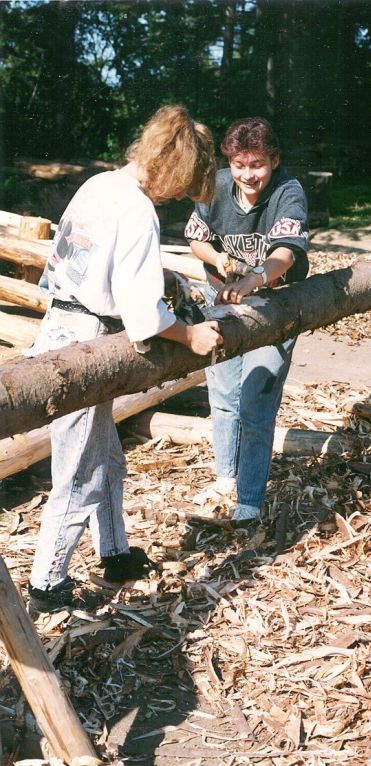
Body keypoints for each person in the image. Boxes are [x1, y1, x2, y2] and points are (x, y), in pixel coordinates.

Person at [27, 105, 222, 611]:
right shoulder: (138, 209)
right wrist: (190, 335)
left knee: (105, 453)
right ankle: (48, 583)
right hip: (89, 343)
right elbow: (143, 316)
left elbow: (68, 266)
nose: (181, 196)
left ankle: (113, 550)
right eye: (185, 185)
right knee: (80, 468)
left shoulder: (99, 185)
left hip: (60, 326)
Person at [185, 117, 309, 522]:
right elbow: (196, 237)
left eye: (257, 164)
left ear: (274, 160)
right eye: (240, 165)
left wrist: (256, 278)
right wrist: (219, 259)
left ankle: (250, 499)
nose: (247, 174)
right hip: (221, 298)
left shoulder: (287, 191)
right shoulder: (218, 185)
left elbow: (286, 254)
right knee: (223, 395)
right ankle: (225, 477)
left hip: (275, 305)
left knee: (257, 400)